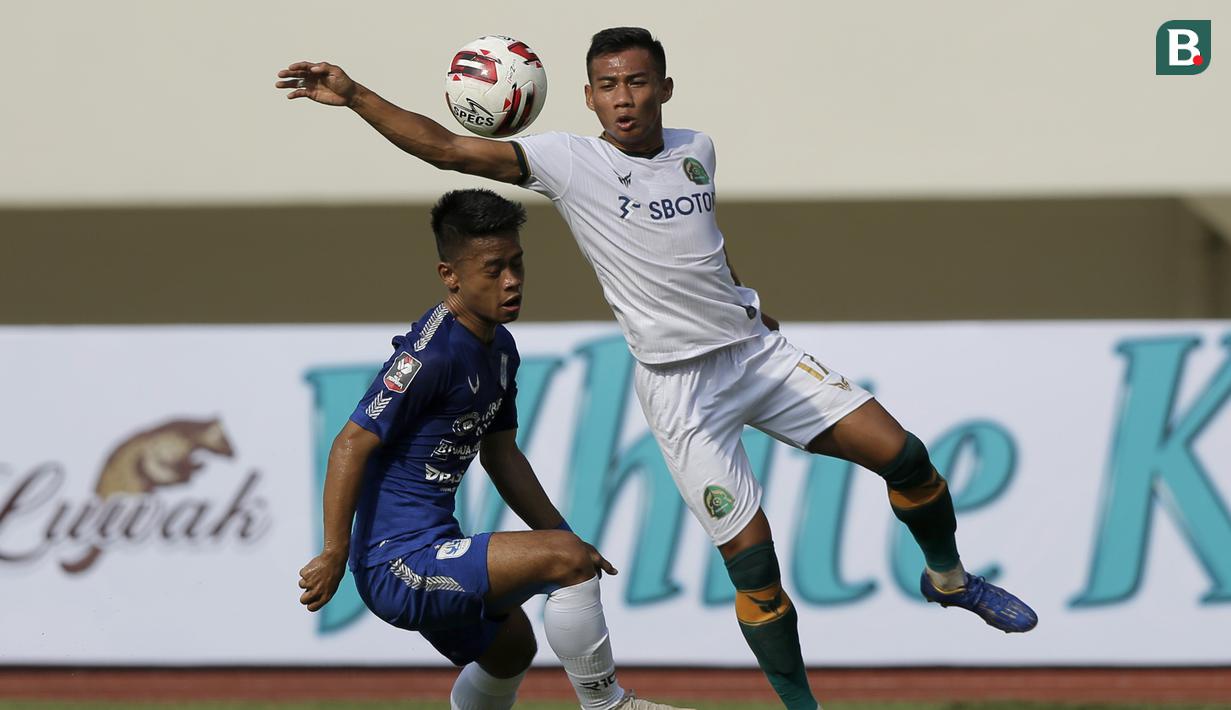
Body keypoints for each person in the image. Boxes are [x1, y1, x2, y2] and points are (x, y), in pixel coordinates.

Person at [278, 28, 1038, 710]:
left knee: (904, 457)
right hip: (681, 391)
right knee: (755, 566)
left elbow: (701, 241)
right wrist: (352, 96)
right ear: (585, 97)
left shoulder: (696, 150)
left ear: (663, 89)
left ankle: (948, 580)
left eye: (636, 82)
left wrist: (738, 303)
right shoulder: (569, 162)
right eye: (607, 86)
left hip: (754, 354)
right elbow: (446, 149)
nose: (623, 98)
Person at [296, 189, 687, 710]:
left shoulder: (500, 349)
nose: (512, 281)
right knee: (564, 563)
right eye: (494, 269)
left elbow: (502, 457)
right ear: (450, 275)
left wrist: (564, 538)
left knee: (511, 649)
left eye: (517, 264)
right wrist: (334, 553)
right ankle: (608, 705)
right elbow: (350, 442)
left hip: (433, 545)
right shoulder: (430, 353)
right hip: (398, 563)